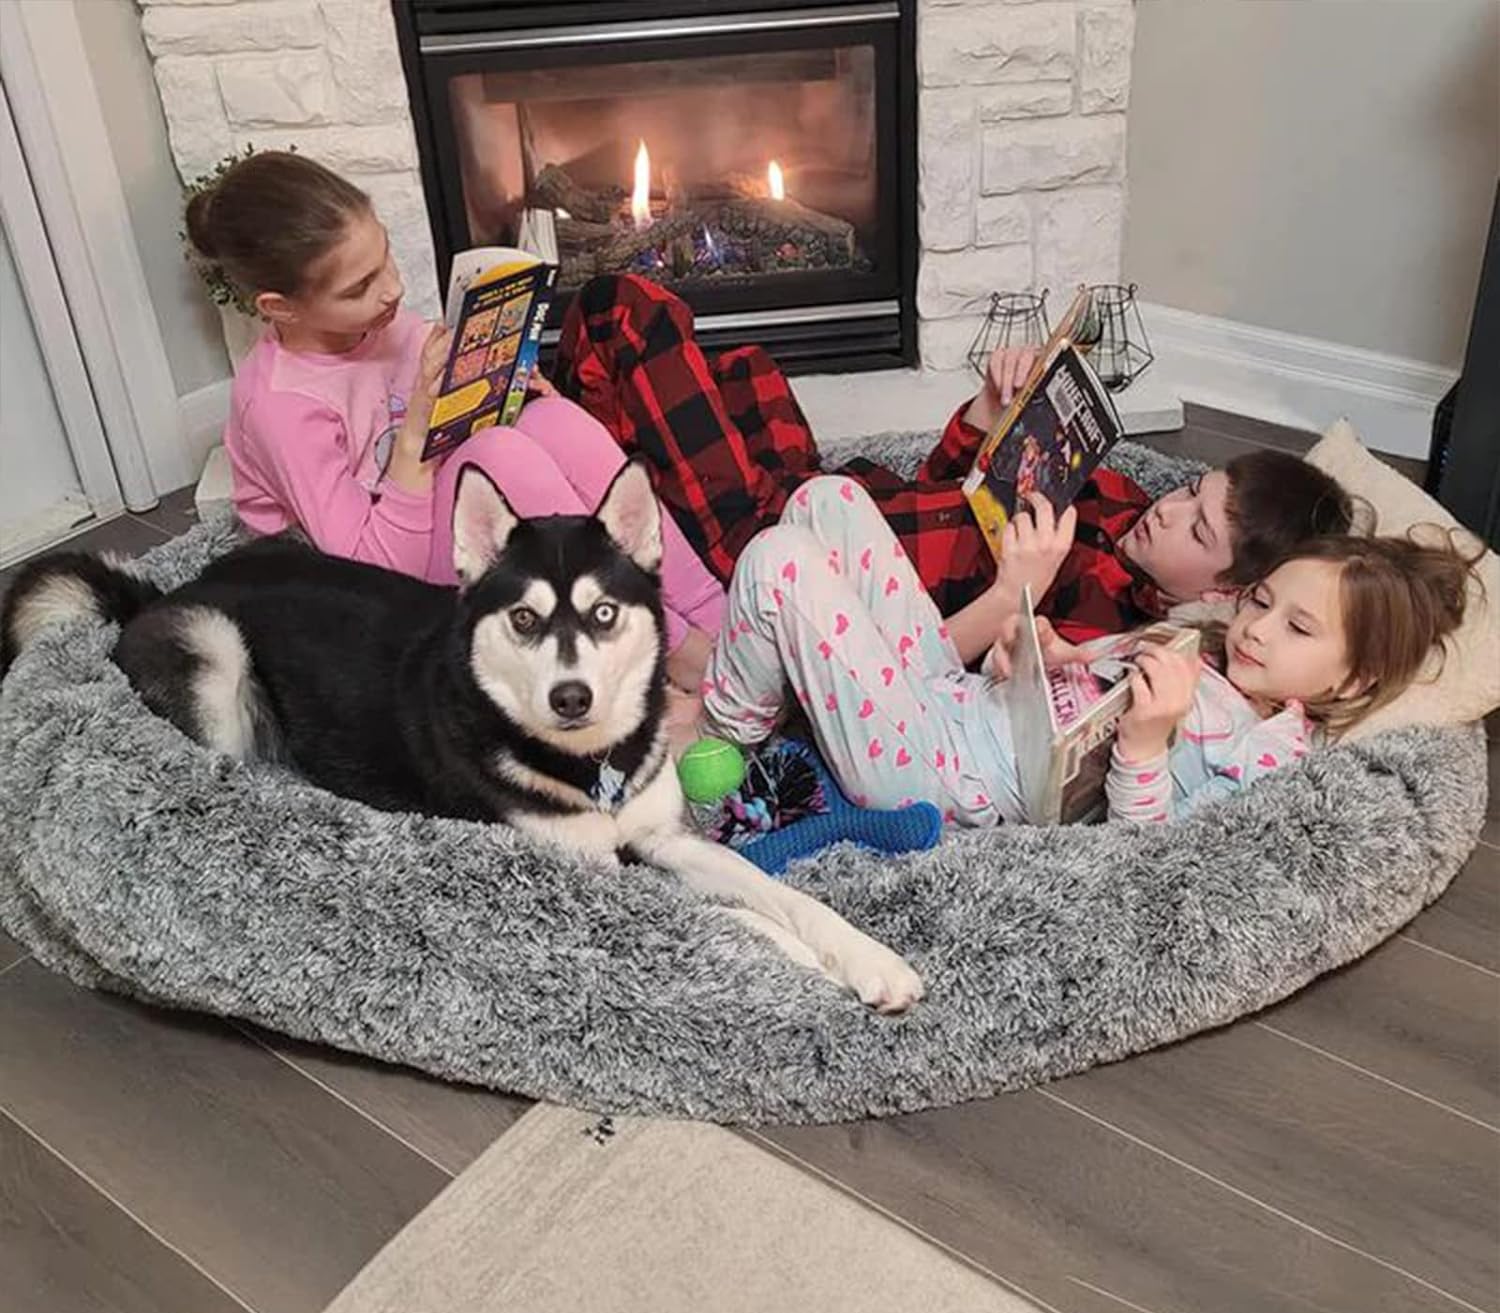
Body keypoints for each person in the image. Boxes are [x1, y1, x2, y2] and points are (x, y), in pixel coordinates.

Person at [551, 274, 1354, 652]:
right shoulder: (1110, 492)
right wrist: (988, 412)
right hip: (828, 490)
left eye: (1199, 528)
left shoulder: (1103, 622)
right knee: (746, 370)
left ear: (1219, 592)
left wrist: (1019, 593)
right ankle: (613, 462)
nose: (1167, 506)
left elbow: (934, 670)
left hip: (772, 554)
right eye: (1188, 487)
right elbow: (946, 483)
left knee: (624, 309)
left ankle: (572, 459)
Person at [184, 152, 723, 686]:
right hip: (370, 602)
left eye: (386, 259)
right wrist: (417, 431)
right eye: (359, 287)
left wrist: (512, 387)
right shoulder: (282, 406)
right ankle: (664, 643)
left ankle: (713, 614)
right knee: (494, 457)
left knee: (556, 420)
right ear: (280, 308)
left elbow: (466, 416)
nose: (392, 289)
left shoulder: (379, 326)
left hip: (433, 529)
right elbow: (372, 570)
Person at [696, 474, 1473, 827]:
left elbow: (1154, 859)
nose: (1259, 630)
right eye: (1263, 603)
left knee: (778, 561)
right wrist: (1036, 649)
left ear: (1355, 677)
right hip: (956, 699)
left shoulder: (1264, 749)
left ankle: (714, 753)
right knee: (823, 502)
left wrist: (1142, 745)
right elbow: (1072, 668)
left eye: (1298, 630)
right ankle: (768, 696)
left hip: (945, 774)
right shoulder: (1194, 639)